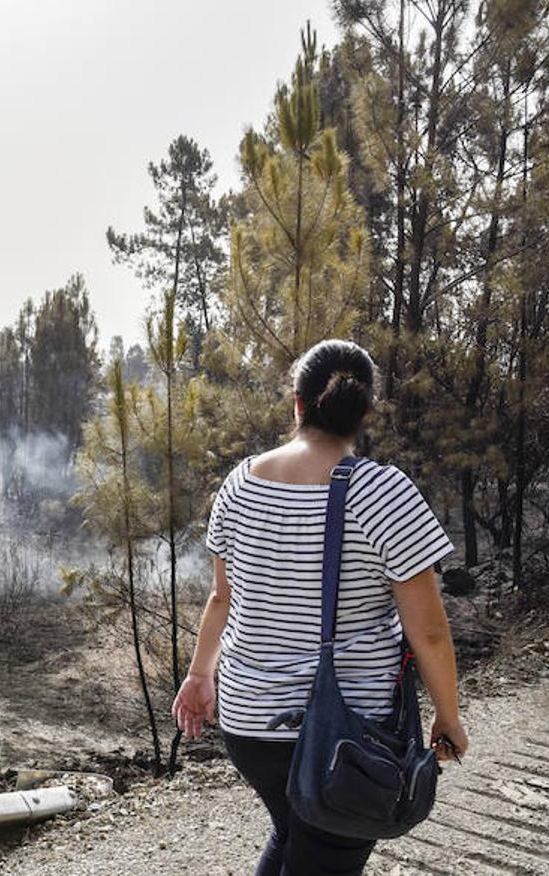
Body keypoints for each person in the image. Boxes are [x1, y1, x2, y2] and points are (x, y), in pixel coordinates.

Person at [173, 338, 469, 876]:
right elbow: (427, 632)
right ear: (366, 413)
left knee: (293, 835)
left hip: (250, 723)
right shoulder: (385, 493)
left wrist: (199, 675)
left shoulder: (240, 482)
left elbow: (222, 596)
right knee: (319, 853)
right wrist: (448, 717)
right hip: (345, 738)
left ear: (297, 402)